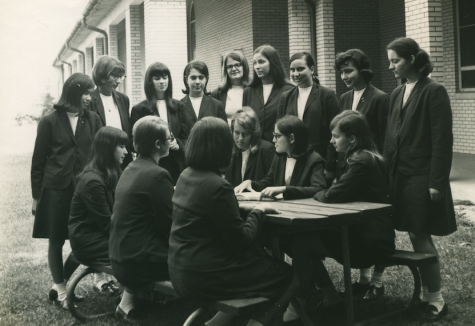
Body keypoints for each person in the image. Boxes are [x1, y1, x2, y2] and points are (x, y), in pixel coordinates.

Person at [168, 117, 295, 326]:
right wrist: (258, 211)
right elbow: (241, 241)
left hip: (180, 269)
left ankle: (217, 323)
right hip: (205, 276)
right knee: (287, 274)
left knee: (258, 259)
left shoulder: (185, 176)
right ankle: (257, 323)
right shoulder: (218, 185)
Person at [282, 110, 395, 324]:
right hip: (371, 236)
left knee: (302, 245)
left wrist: (319, 192)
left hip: (371, 243)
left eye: (336, 136)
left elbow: (331, 194)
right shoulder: (362, 156)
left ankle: (299, 307)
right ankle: (327, 299)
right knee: (303, 242)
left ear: (352, 138)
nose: (331, 141)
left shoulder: (361, 160)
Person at [385, 37, 456, 323]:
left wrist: (436, 181)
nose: (391, 66)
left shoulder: (434, 91)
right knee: (412, 234)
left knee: (420, 234)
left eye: (395, 61)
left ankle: (436, 298)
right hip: (398, 175)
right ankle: (425, 295)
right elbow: (390, 135)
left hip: (421, 175)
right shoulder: (397, 93)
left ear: (412, 59)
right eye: (390, 61)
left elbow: (442, 140)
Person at [31, 73, 102, 308]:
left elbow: (100, 154)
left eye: (91, 93)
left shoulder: (93, 119)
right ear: (73, 93)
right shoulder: (50, 121)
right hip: (55, 189)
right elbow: (38, 161)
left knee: (82, 238)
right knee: (56, 239)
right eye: (86, 93)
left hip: (83, 189)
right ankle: (61, 289)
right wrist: (36, 196)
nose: (89, 98)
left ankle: (59, 285)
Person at [333, 49, 390, 295]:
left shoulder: (379, 97)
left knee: (375, 225)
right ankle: (364, 280)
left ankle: (377, 281)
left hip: (371, 167)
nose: (344, 76)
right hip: (351, 166)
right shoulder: (345, 98)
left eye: (349, 71)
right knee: (357, 224)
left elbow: (384, 136)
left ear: (362, 71)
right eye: (342, 71)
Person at [110, 116, 174, 322]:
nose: (171, 140)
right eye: (169, 137)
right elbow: (169, 226)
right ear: (158, 144)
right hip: (139, 263)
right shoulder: (158, 174)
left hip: (119, 256)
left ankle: (127, 303)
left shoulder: (131, 168)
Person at [68, 126, 128, 295]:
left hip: (95, 237)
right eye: (122, 147)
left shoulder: (109, 173)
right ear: (108, 149)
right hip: (89, 242)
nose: (126, 151)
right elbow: (107, 225)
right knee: (139, 248)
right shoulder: (93, 181)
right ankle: (131, 298)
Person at [277, 52, 339, 186]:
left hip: (319, 160)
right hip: (292, 160)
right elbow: (279, 130)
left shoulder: (327, 95)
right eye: (292, 70)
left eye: (300, 69)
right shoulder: (285, 97)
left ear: (312, 69)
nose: (296, 74)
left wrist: (329, 165)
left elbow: (334, 131)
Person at [235, 115, 326, 200]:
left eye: (277, 136)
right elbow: (268, 182)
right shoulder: (279, 157)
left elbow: (318, 189)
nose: (273, 140)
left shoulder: (314, 160)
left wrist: (285, 189)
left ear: (292, 138)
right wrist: (251, 183)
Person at [131, 62, 189, 184]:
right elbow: (136, 143)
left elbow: (186, 137)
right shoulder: (139, 109)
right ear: (150, 81)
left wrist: (177, 144)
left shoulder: (179, 106)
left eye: (165, 77)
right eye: (157, 78)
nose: (162, 81)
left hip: (175, 165)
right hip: (152, 165)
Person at [243, 45, 294, 142]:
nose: (257, 67)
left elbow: (290, 124)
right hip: (255, 148)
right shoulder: (248, 91)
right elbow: (246, 123)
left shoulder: (289, 90)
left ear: (273, 63)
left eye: (261, 62)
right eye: (255, 63)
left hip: (278, 148)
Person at [90, 56, 133, 168]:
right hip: (100, 160)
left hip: (122, 161)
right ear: (101, 74)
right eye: (114, 76)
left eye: (120, 76)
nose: (118, 81)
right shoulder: (89, 100)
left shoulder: (123, 99)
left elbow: (126, 130)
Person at [225, 107, 275, 188]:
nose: (240, 138)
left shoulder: (267, 149)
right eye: (237, 133)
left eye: (246, 134)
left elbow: (271, 182)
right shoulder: (231, 151)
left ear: (254, 133)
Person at [181, 60, 227, 132]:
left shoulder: (217, 105)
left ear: (206, 79)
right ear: (186, 79)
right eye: (193, 78)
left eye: (201, 77)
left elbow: (224, 133)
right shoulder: (179, 106)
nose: (197, 82)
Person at [211, 51, 251, 124]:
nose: (233, 69)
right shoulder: (217, 94)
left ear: (244, 67)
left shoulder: (254, 90)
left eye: (237, 65)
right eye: (229, 66)